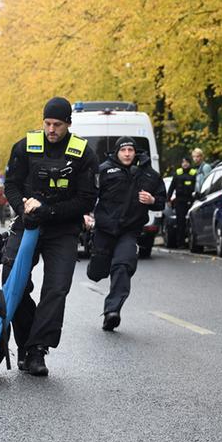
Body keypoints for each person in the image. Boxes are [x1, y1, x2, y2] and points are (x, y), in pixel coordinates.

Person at [0, 96, 98, 376]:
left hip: (63, 229)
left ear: (68, 123)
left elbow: (86, 200)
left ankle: (37, 350)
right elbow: (11, 185)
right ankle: (25, 340)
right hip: (28, 224)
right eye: (47, 123)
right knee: (13, 282)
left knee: (56, 289)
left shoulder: (83, 153)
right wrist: (24, 208)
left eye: (57, 124)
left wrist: (49, 211)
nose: (51, 129)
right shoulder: (24, 147)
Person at [85, 137, 166, 331]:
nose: (127, 154)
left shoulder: (149, 174)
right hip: (104, 229)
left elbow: (162, 200)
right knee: (97, 272)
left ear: (135, 152)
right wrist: (86, 215)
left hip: (129, 231)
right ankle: (97, 269)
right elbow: (88, 194)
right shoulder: (104, 170)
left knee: (123, 266)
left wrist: (152, 200)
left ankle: (112, 311)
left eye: (131, 150)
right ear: (117, 152)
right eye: (124, 150)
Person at [165, 155, 198, 245]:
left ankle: (192, 241)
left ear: (189, 163)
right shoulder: (178, 173)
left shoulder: (194, 173)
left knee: (191, 221)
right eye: (183, 162)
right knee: (180, 222)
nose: (185, 164)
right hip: (180, 200)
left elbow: (197, 187)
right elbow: (172, 187)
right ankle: (181, 242)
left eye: (186, 162)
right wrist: (168, 199)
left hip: (191, 200)